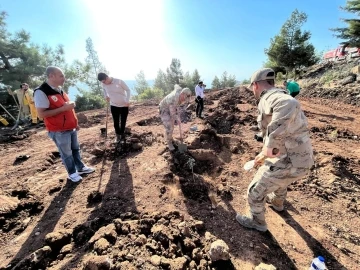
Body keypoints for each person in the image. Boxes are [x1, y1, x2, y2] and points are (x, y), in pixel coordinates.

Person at [236, 68, 314, 232]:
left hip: (289, 160)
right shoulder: (276, 94)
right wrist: (265, 141)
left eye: (252, 87)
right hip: (299, 159)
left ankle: (257, 222)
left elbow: (289, 104)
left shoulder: (272, 97)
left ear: (256, 85)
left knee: (254, 191)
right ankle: (278, 203)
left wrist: (269, 148)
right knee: (280, 178)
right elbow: (281, 125)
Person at [34, 66, 95, 182]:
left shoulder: (59, 89)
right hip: (58, 130)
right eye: (61, 75)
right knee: (66, 153)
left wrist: (74, 122)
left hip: (70, 127)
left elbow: (68, 109)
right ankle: (72, 173)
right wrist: (64, 108)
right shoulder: (41, 92)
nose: (64, 78)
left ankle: (80, 168)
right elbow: (41, 114)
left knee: (75, 149)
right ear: (51, 76)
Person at [97, 72, 131, 143]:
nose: (104, 83)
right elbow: (104, 90)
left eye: (104, 81)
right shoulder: (103, 84)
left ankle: (122, 134)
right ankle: (118, 136)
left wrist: (127, 101)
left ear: (107, 78)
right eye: (102, 82)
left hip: (124, 105)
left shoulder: (119, 81)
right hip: (113, 105)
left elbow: (128, 90)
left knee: (123, 121)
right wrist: (105, 96)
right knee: (116, 122)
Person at [159, 85, 192, 151]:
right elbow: (173, 113)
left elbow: (177, 107)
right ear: (182, 94)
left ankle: (169, 137)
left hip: (171, 107)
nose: (184, 100)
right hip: (164, 109)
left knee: (172, 124)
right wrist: (177, 118)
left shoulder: (181, 95)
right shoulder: (173, 98)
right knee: (169, 126)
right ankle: (169, 142)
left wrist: (178, 116)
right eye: (185, 98)